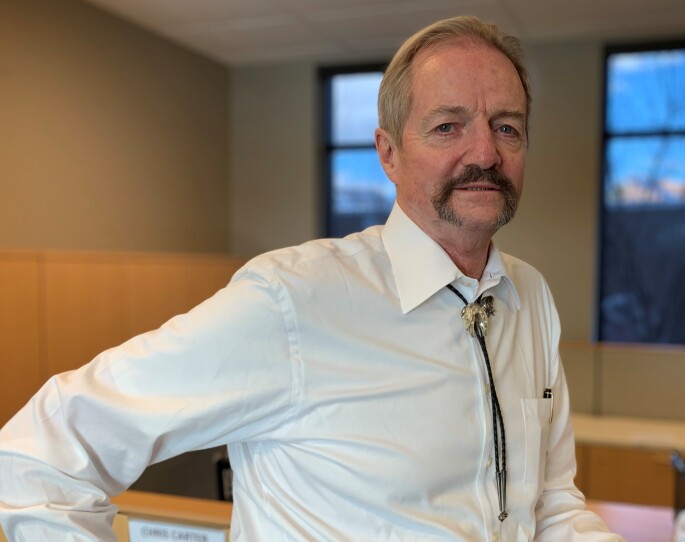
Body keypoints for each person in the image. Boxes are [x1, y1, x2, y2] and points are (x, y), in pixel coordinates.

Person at [0, 16, 621, 542]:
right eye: (447, 126)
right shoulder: (293, 301)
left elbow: (550, 506)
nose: (484, 152)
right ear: (388, 153)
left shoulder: (528, 297)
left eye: (506, 126)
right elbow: (37, 455)